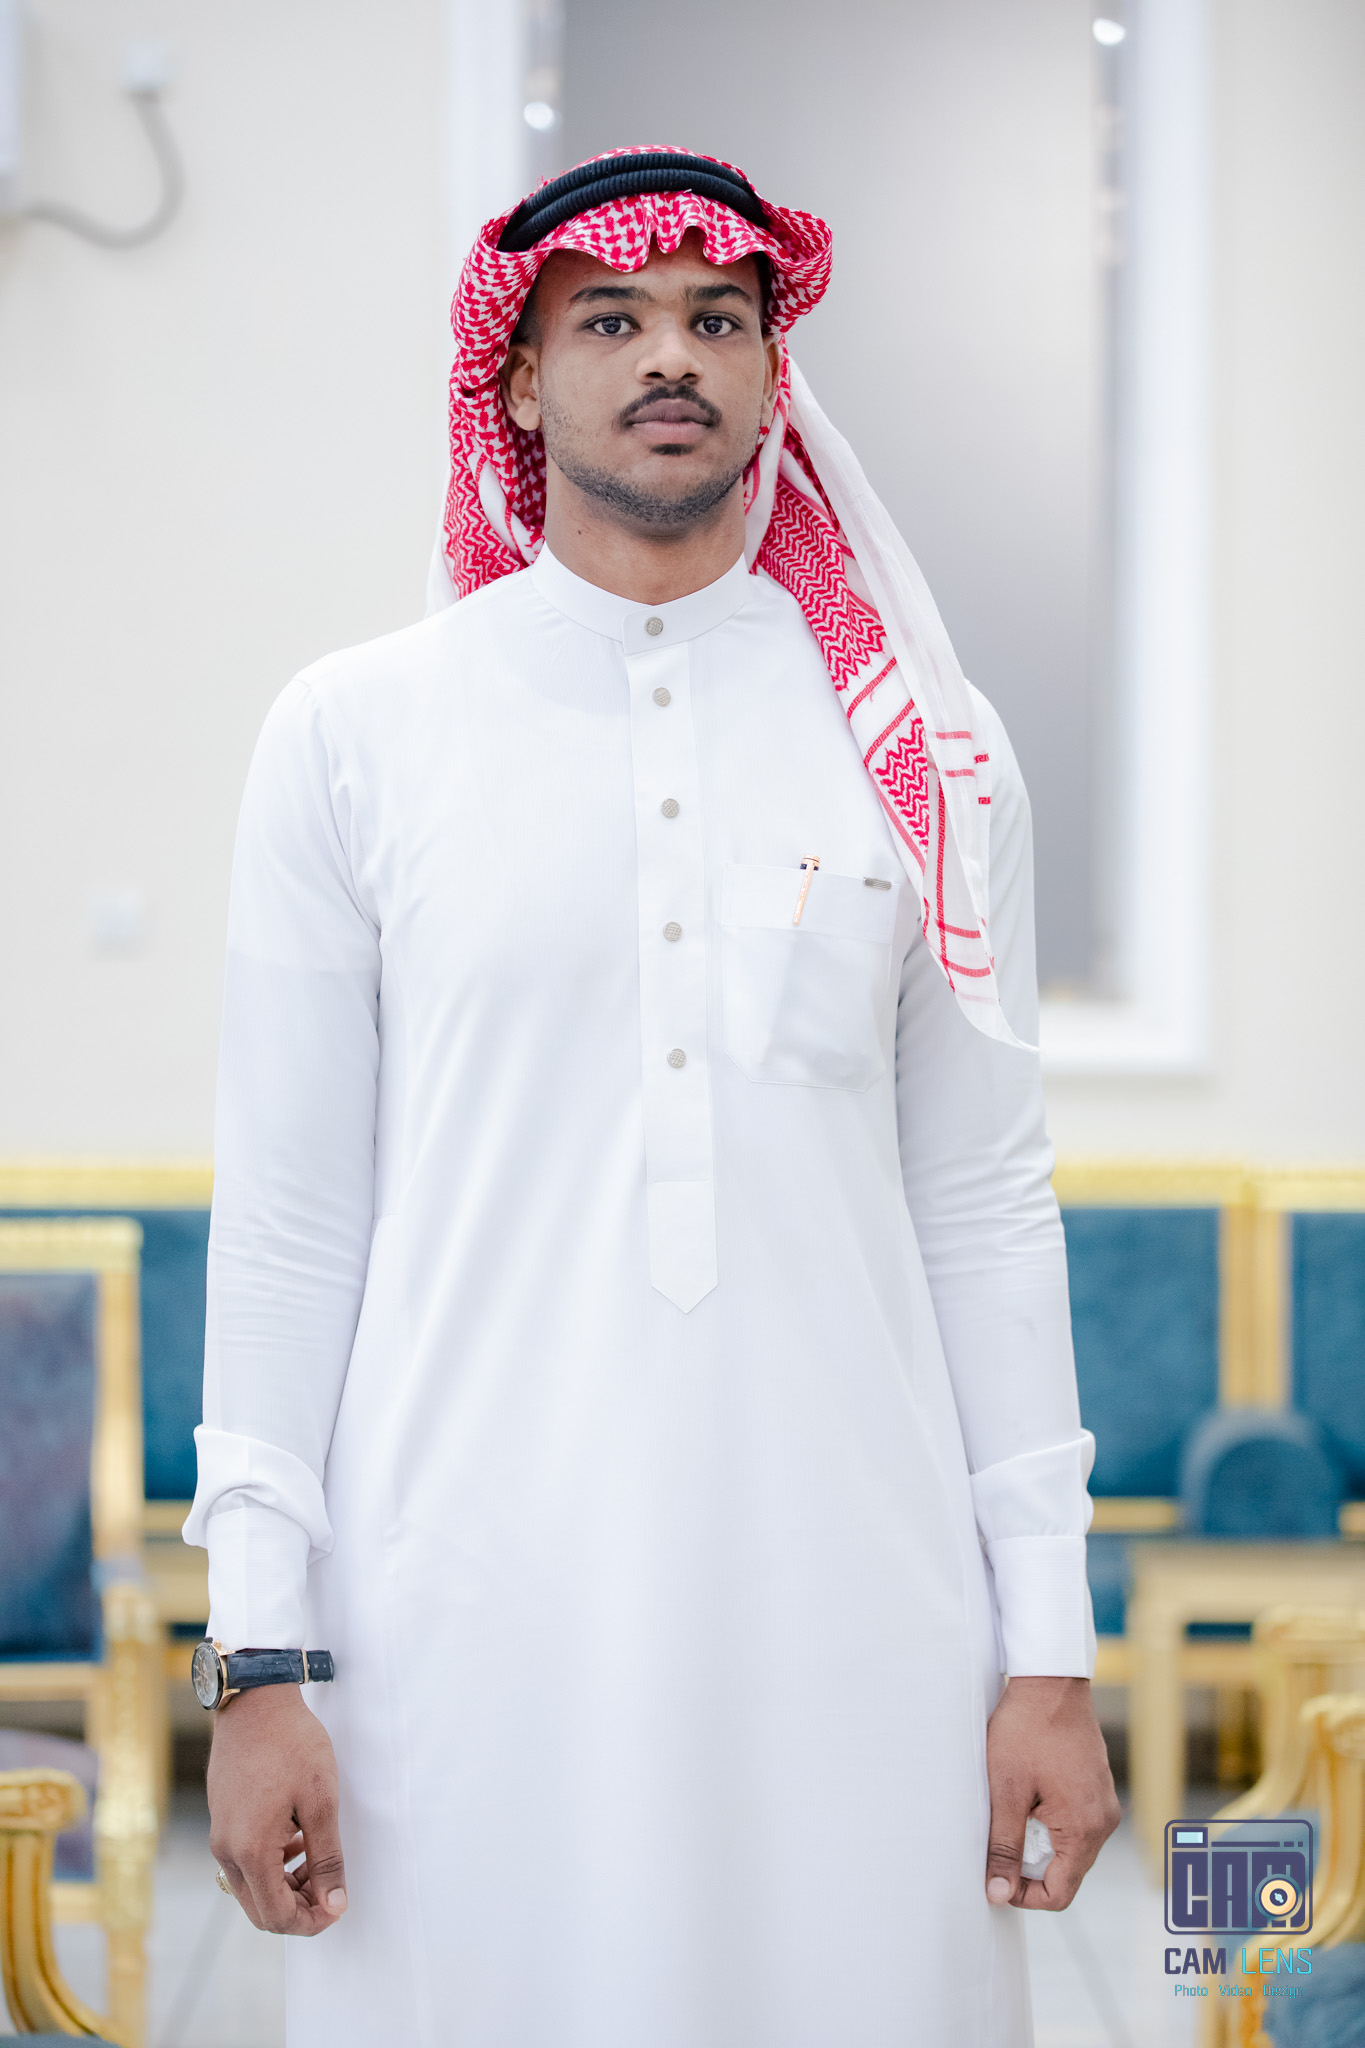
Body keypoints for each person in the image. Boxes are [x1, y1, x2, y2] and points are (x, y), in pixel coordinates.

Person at [187, 146, 1119, 2047]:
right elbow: (288, 1221)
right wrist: (258, 1658)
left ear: (775, 373)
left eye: (717, 317)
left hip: (851, 1617)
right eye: (607, 319)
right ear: (519, 379)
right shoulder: (357, 734)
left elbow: (981, 1201)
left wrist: (1049, 1651)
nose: (668, 355)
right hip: (460, 1623)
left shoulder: (926, 747)